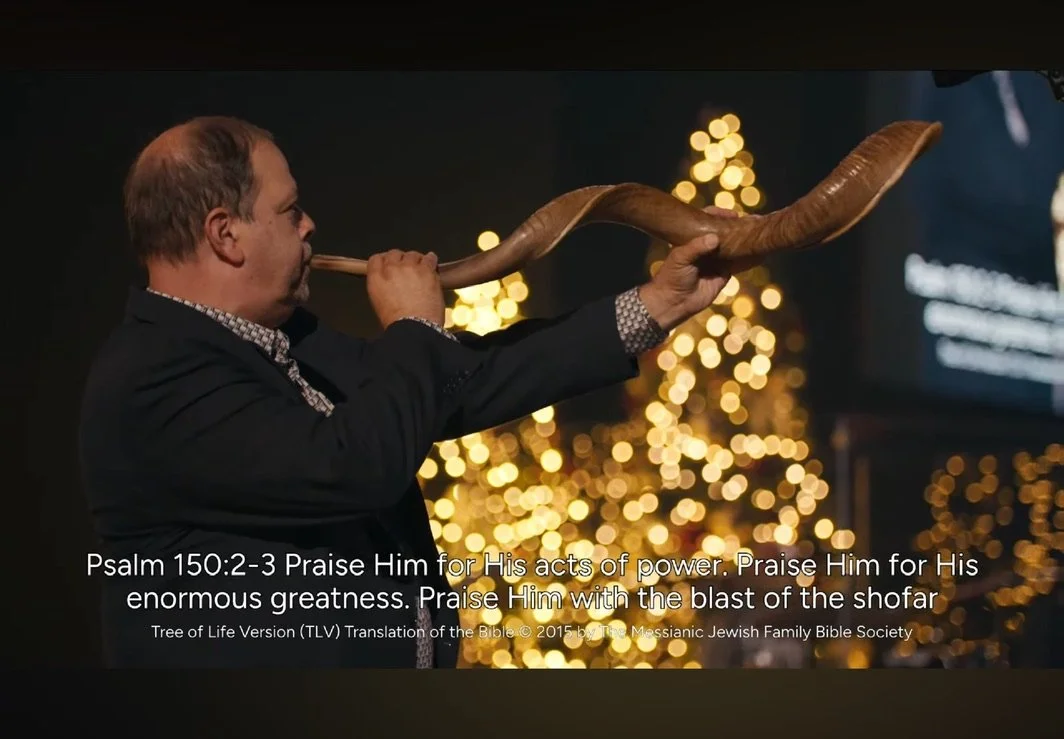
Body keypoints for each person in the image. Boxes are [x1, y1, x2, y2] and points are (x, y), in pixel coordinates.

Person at [79, 115, 753, 668]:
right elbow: (354, 466)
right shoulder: (153, 376)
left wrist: (658, 305)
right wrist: (409, 327)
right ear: (226, 234)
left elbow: (457, 384)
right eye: (289, 211)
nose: (310, 225)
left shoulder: (285, 339)